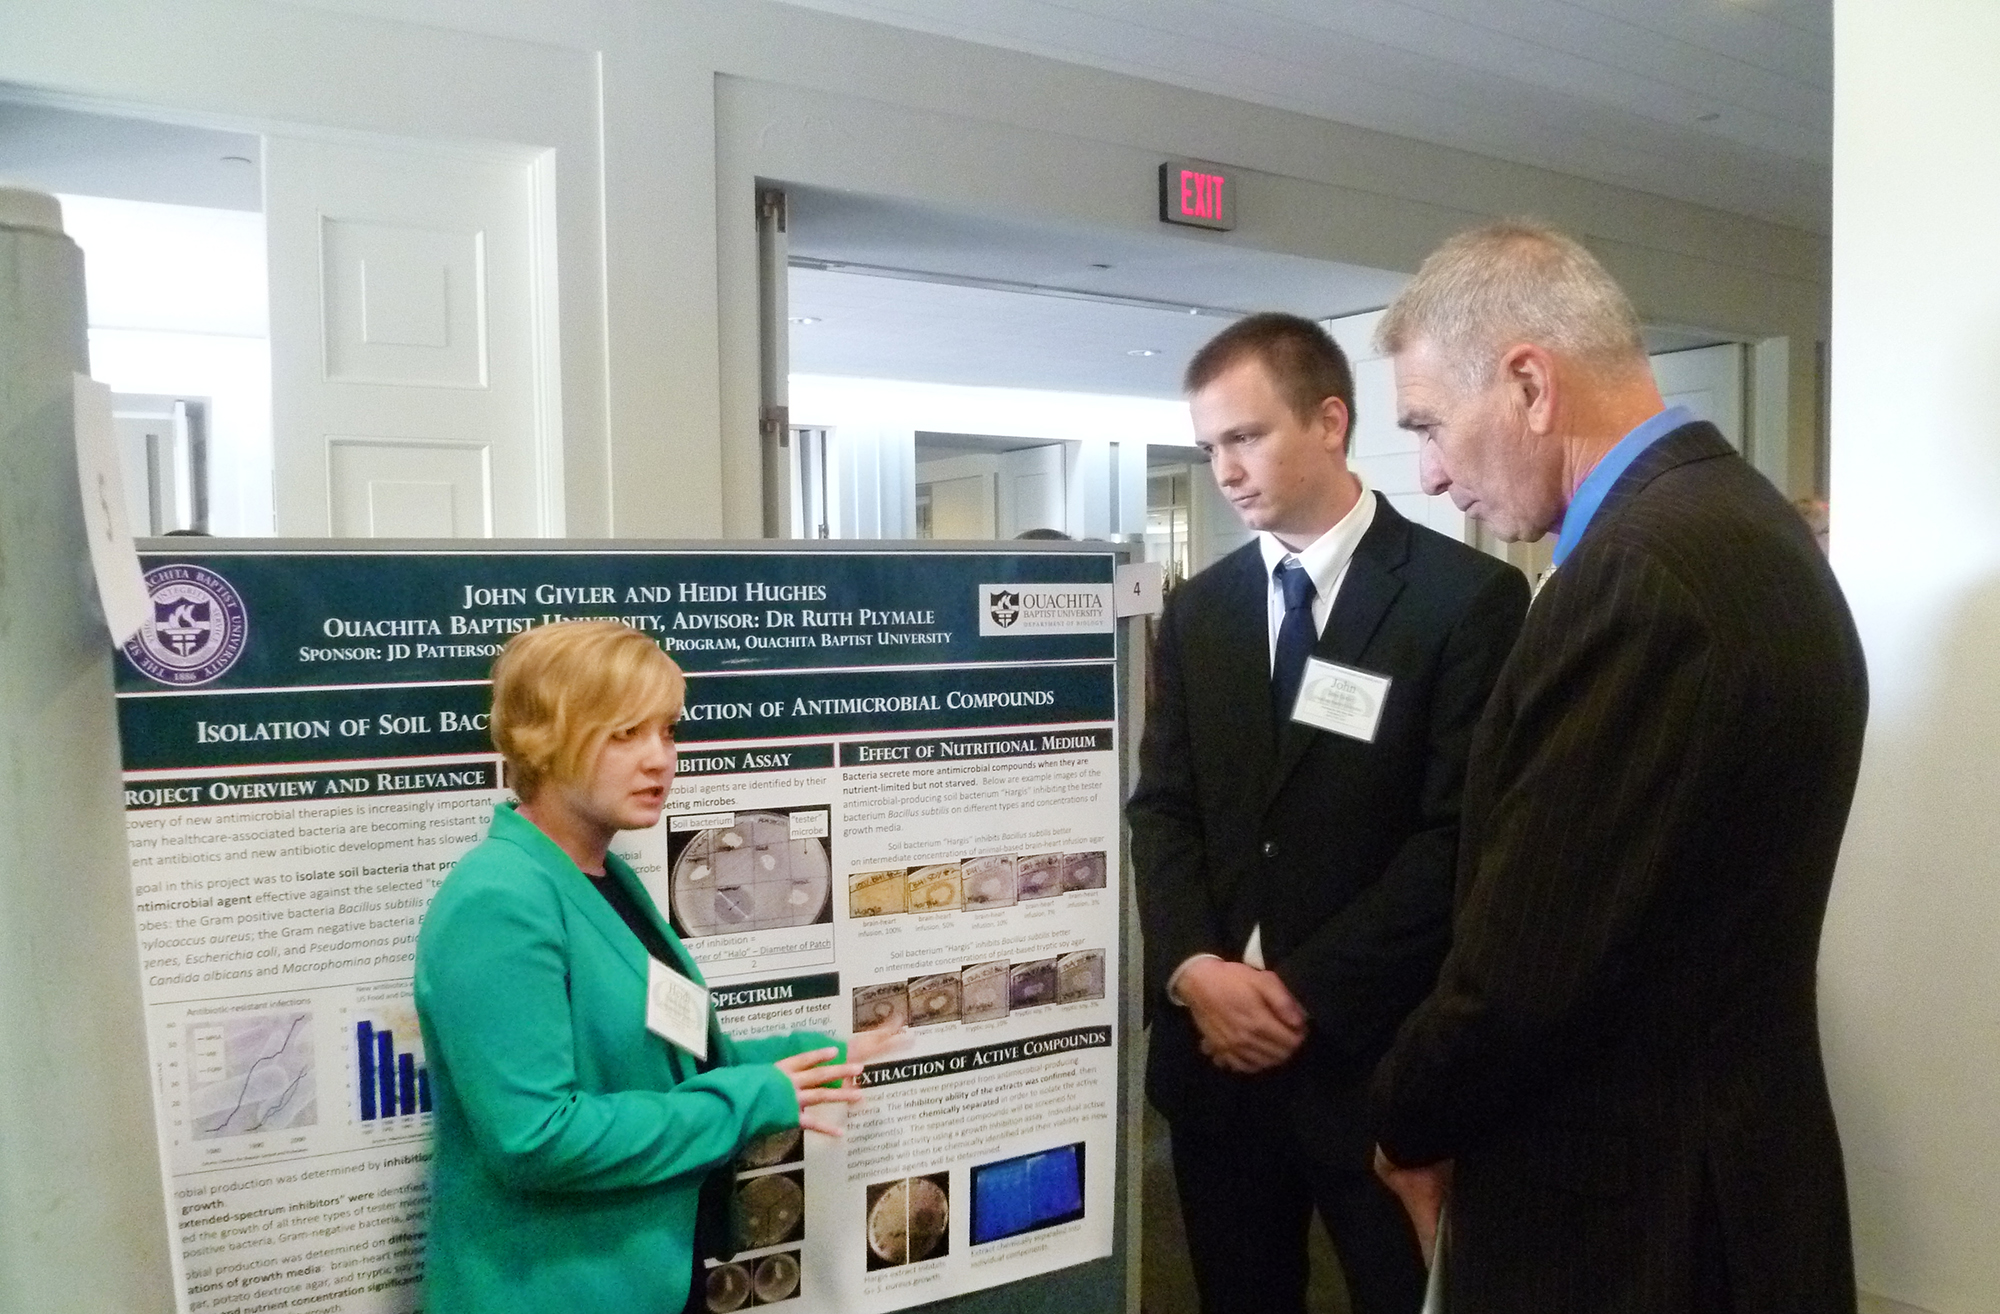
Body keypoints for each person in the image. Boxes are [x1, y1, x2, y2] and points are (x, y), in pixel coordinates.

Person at [1366, 222, 1868, 1314]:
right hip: (1725, 1188)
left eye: (1428, 426)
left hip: (1631, 1225)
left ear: (1529, 385)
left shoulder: (1636, 577)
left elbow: (1524, 967)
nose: (1429, 474)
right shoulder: (1745, 526)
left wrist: (1402, 1115)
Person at [1128, 313, 1529, 1314]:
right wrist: (1193, 972)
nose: (1223, 469)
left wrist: (1294, 992)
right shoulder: (1201, 608)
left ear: (1330, 422)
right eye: (1208, 445)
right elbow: (1164, 809)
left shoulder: (1463, 600)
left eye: (1245, 436)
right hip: (1215, 1067)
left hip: (1374, 1064)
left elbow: (1456, 840)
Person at [415, 620, 896, 1313]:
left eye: (667, 732)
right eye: (624, 735)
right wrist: (752, 1099)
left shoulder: (601, 878)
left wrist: (813, 1057)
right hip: (553, 1292)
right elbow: (536, 1139)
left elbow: (675, 1057)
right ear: (544, 740)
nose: (660, 760)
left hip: (650, 1279)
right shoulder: (500, 899)